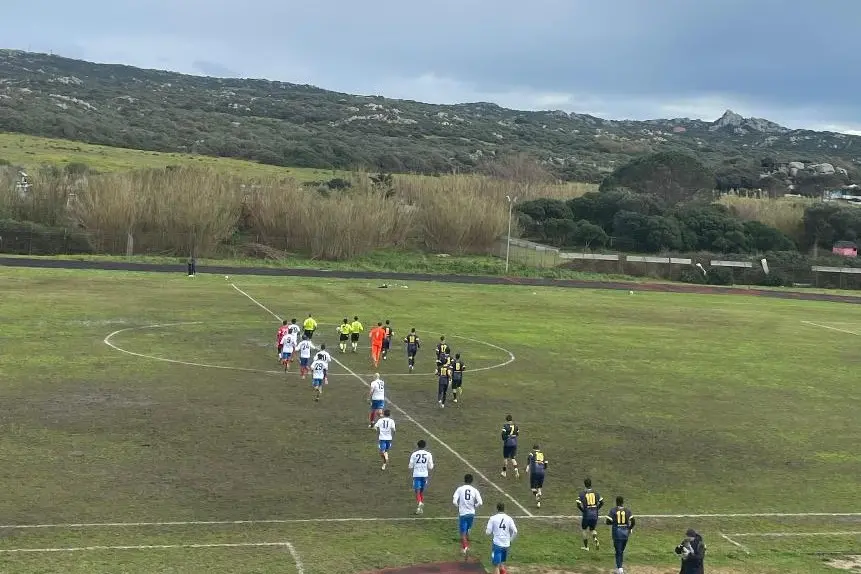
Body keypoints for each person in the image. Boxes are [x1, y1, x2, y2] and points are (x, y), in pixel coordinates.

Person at [452, 474, 483, 555]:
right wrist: (475, 506)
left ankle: (465, 547)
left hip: (463, 514)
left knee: (463, 532)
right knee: (467, 529)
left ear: (464, 480)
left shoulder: (460, 489)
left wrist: (458, 506)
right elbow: (480, 502)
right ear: (471, 481)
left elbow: (454, 501)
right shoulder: (475, 490)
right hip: (471, 513)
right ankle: (468, 533)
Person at [605, 496, 636, 574]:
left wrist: (614, 523)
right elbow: (633, 521)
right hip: (625, 534)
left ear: (616, 502)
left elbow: (607, 522)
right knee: (621, 551)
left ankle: (620, 569)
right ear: (623, 502)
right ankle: (620, 568)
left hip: (617, 533)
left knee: (618, 551)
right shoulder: (627, 511)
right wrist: (629, 528)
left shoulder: (613, 511)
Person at [485, 502, 517, 574]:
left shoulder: (493, 518)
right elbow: (515, 531)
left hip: (497, 544)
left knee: (496, 565)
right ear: (504, 509)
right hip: (506, 544)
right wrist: (510, 540)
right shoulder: (509, 518)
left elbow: (488, 532)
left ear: (497, 508)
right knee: (502, 564)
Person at [577, 478, 604, 551]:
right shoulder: (596, 493)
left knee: (584, 530)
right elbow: (602, 502)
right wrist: (596, 508)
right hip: (595, 514)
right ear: (591, 484)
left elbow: (578, 504)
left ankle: (586, 547)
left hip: (587, 513)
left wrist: (583, 510)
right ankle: (595, 538)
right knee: (592, 529)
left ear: (584, 484)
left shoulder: (582, 493)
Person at [408, 439, 434, 515]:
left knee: (417, 491)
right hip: (425, 475)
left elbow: (410, 466)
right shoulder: (429, 454)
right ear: (425, 446)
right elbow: (431, 467)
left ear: (417, 445)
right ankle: (419, 509)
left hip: (417, 475)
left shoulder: (414, 454)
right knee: (421, 492)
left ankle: (419, 503)